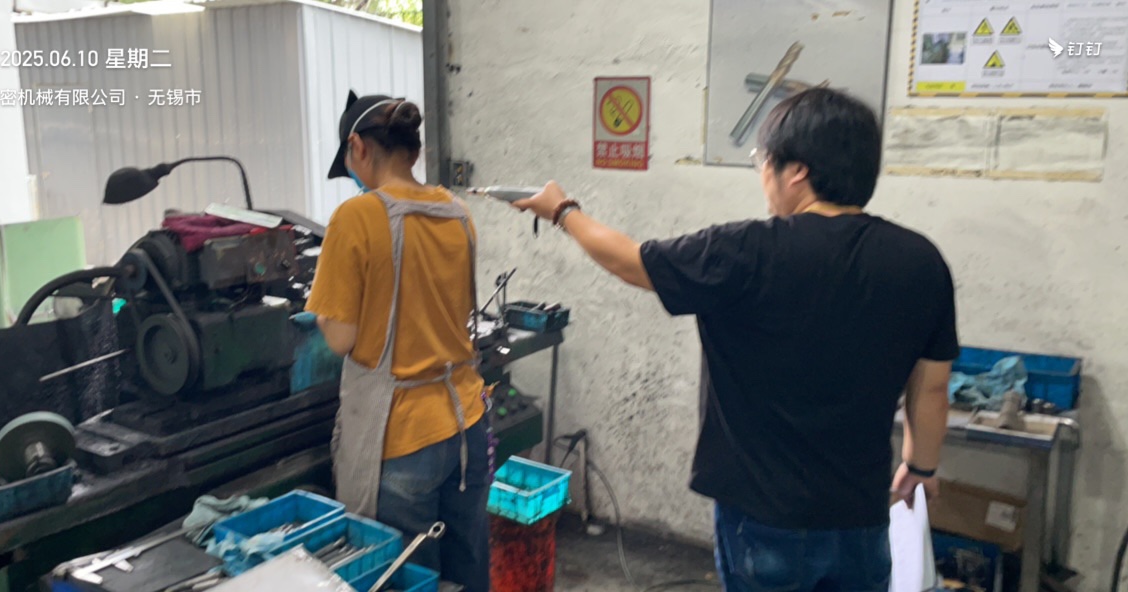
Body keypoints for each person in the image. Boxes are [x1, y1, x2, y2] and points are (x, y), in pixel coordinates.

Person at [513, 88, 956, 592]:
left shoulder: (747, 250)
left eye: (763, 160)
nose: (762, 174)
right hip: (861, 516)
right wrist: (920, 466)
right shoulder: (921, 262)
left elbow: (631, 262)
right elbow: (932, 388)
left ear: (797, 171)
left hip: (763, 518)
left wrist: (562, 210)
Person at [305, 91, 490, 592]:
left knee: (406, 579)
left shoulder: (356, 217)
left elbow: (340, 338)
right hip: (467, 424)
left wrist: (320, 309)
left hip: (402, 437)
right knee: (467, 569)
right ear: (414, 150)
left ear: (358, 147)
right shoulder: (458, 213)